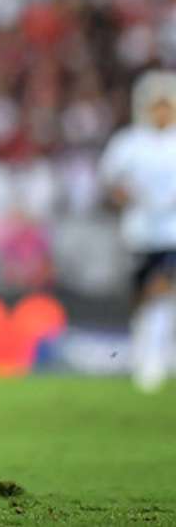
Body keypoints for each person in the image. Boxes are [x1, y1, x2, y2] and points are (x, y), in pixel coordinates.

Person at [100, 71, 176, 393]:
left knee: (162, 290)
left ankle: (156, 360)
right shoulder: (128, 143)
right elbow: (109, 184)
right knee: (142, 297)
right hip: (139, 231)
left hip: (172, 231)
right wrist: (128, 198)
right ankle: (146, 352)